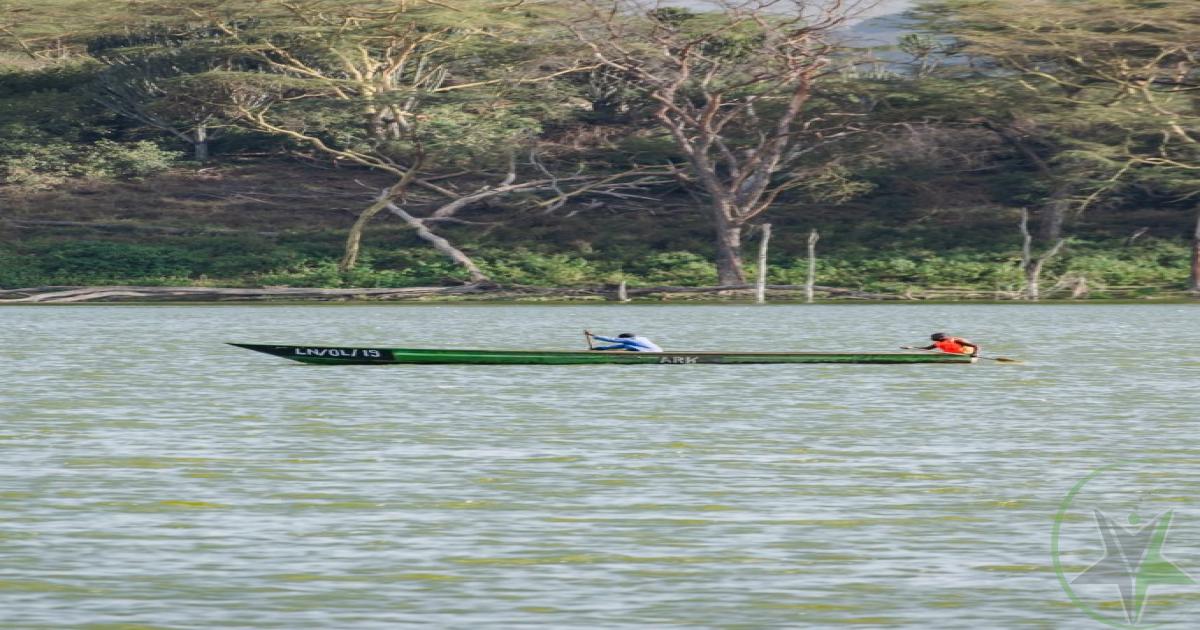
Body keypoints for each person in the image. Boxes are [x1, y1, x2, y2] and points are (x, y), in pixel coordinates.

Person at [586, 330, 663, 352]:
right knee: (626, 347)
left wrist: (592, 335)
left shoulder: (630, 340)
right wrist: (598, 348)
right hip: (660, 351)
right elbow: (614, 346)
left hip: (652, 353)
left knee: (627, 348)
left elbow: (611, 340)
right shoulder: (642, 338)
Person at [915, 332, 980, 357]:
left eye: (933, 338)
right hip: (954, 354)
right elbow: (926, 348)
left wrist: (974, 354)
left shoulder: (956, 341)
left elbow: (975, 346)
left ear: (940, 338)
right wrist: (913, 347)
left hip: (966, 354)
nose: (932, 339)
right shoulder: (938, 343)